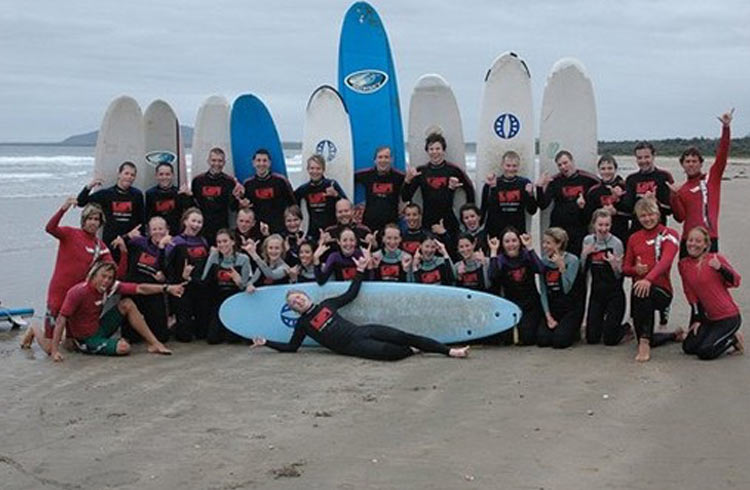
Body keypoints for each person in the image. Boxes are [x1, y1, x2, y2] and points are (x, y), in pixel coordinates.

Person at [250, 255, 470, 361]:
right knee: (392, 354)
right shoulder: (303, 325)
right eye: (293, 304)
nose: (297, 302)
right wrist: (266, 342)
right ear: (294, 310)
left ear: (305, 296)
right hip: (352, 348)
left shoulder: (326, 305)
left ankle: (451, 351)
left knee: (404, 335)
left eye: (298, 298)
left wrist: (361, 270)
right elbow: (291, 348)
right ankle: (412, 350)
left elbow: (351, 293)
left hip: (362, 331)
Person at [20, 198, 127, 350]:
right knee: (50, 349)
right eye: (89, 218)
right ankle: (34, 328)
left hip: (76, 299)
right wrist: (63, 208)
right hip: (58, 293)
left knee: (70, 346)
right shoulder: (69, 234)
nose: (93, 222)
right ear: (83, 221)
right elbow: (50, 228)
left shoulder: (100, 246)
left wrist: (124, 251)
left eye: (96, 219)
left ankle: (55, 334)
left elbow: (117, 273)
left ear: (100, 223)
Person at [46, 261, 181, 361]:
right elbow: (61, 319)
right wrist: (54, 351)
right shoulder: (78, 292)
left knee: (127, 303)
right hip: (85, 339)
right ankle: (35, 329)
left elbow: (140, 288)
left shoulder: (110, 287)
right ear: (93, 275)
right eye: (103, 276)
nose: (106, 281)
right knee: (124, 348)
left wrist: (166, 288)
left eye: (110, 278)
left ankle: (154, 343)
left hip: (98, 328)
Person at [622, 198, 682, 362]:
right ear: (638, 218)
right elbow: (625, 268)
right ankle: (672, 335)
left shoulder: (669, 234)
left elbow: (666, 260)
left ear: (658, 214)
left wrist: (648, 279)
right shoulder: (634, 238)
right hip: (639, 292)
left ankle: (644, 343)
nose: (648, 219)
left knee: (644, 292)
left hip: (661, 290)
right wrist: (636, 270)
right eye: (643, 216)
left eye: (651, 214)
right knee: (641, 326)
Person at [670, 109, 733, 257]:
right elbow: (680, 217)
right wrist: (673, 196)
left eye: (694, 161)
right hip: (688, 240)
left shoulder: (711, 179)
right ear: (682, 165)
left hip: (708, 238)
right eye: (687, 162)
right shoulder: (682, 189)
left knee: (710, 279)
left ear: (700, 163)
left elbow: (722, 155)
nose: (691, 164)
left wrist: (726, 128)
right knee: (688, 278)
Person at [679, 226, 743, 359]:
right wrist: (697, 319)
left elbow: (736, 281)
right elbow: (690, 293)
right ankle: (714, 335)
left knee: (705, 353)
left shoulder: (714, 259)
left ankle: (733, 339)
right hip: (709, 318)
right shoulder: (683, 265)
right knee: (689, 347)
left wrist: (721, 269)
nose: (693, 244)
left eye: (698, 241)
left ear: (706, 245)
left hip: (728, 317)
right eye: (690, 240)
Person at [401, 133, 475, 237]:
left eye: (438, 149)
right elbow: (405, 197)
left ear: (443, 150)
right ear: (427, 151)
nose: (434, 152)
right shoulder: (421, 171)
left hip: (449, 219)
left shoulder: (453, 170)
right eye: (431, 149)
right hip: (428, 220)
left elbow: (470, 190)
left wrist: (466, 216)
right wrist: (407, 181)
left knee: (451, 251)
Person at [77, 161, 145, 260]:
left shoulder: (137, 195)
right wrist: (89, 186)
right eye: (126, 173)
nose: (129, 177)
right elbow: (80, 202)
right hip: (110, 242)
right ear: (119, 174)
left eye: (132, 175)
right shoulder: (106, 194)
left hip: (130, 242)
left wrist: (135, 237)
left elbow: (141, 221)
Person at [536, 150, 598, 256]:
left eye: (565, 163)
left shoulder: (588, 179)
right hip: (558, 230)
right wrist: (539, 187)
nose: (563, 167)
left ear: (572, 161)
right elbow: (543, 205)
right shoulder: (555, 181)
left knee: (578, 263)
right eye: (559, 165)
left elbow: (604, 186)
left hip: (579, 229)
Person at [488, 229, 545, 346]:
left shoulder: (526, 255)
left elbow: (540, 269)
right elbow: (492, 276)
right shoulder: (500, 259)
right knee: (504, 340)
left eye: (514, 241)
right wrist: (493, 252)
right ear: (502, 244)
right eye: (507, 241)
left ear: (519, 242)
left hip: (530, 303)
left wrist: (530, 247)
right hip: (510, 304)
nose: (511, 244)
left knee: (528, 339)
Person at [580, 210, 628, 345]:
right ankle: (601, 324)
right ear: (594, 225)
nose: (603, 229)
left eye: (607, 225)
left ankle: (625, 328)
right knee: (592, 339)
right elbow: (583, 270)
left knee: (610, 341)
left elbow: (619, 276)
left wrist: (615, 264)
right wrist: (584, 254)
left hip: (614, 294)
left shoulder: (616, 243)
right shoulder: (588, 240)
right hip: (597, 294)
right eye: (600, 225)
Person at [202, 229, 258, 344]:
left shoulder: (243, 259)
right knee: (213, 339)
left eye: (225, 241)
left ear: (233, 242)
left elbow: (246, 286)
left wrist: (239, 281)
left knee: (232, 340)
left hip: (236, 298)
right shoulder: (214, 257)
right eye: (219, 242)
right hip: (219, 298)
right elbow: (204, 279)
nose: (222, 245)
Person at [122, 216, 172, 343]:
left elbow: (168, 270)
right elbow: (116, 244)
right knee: (131, 338)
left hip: (153, 290)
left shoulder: (171, 247)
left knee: (162, 337)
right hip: (134, 288)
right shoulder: (140, 242)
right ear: (149, 231)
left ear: (167, 230)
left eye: (161, 228)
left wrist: (161, 247)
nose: (157, 232)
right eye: (154, 229)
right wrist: (127, 236)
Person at [166, 207, 211, 342]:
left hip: (200, 287)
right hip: (182, 288)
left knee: (202, 334)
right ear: (185, 221)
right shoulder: (175, 241)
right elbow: (166, 265)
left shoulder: (203, 241)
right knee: (184, 337)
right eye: (193, 221)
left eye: (199, 222)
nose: (196, 225)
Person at [538, 228, 584, 349]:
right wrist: (548, 317)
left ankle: (572, 331)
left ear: (558, 244)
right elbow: (543, 291)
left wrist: (562, 268)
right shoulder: (544, 262)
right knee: (542, 340)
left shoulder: (572, 260)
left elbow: (567, 288)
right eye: (544, 242)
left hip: (570, 307)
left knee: (559, 342)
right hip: (553, 307)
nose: (544, 246)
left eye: (548, 243)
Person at [191, 147, 241, 245]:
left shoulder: (229, 182)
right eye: (214, 160)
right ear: (208, 161)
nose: (217, 164)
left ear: (224, 162)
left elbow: (233, 208)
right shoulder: (198, 181)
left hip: (221, 226)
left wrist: (237, 197)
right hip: (202, 226)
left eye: (220, 161)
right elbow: (193, 206)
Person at [481, 150, 537, 237]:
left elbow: (532, 210)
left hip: (517, 231)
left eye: (514, 166)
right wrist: (492, 188)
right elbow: (484, 208)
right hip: (496, 231)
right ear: (502, 165)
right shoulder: (492, 182)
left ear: (518, 166)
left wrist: (530, 195)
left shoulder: (524, 183)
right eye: (508, 165)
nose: (511, 169)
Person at [239, 149, 296, 234]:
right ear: (253, 163)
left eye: (264, 161)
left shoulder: (281, 181)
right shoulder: (248, 184)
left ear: (269, 163)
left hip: (279, 229)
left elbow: (293, 205)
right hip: (256, 230)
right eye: (258, 160)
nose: (261, 164)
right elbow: (243, 209)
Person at [622, 142, 674, 233]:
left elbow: (671, 210)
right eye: (639, 158)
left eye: (646, 157)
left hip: (658, 231)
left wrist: (655, 202)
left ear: (653, 156)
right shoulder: (631, 179)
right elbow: (627, 209)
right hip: (636, 231)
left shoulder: (664, 176)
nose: (643, 161)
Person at [294, 154, 347, 242]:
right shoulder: (304, 188)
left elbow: (346, 204)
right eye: (312, 168)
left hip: (332, 231)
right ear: (308, 170)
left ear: (323, 170)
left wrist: (336, 195)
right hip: (313, 232)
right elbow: (292, 205)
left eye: (318, 168)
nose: (315, 171)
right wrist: (298, 230)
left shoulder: (331, 184)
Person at [354, 146, 405, 232]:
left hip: (391, 225)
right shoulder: (366, 175)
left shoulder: (399, 177)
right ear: (375, 160)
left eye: (386, 157)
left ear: (391, 160)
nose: (383, 160)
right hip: (369, 224)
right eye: (380, 157)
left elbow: (408, 192)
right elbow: (347, 177)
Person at [584, 155, 629, 244]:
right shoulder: (594, 190)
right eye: (603, 169)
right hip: (600, 235)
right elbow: (587, 216)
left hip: (620, 233)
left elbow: (631, 212)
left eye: (610, 168)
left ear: (615, 169)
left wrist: (616, 209)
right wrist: (600, 212)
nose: (606, 172)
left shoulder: (625, 187)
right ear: (599, 170)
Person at [145, 162, 194, 235]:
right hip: (157, 234)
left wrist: (190, 196)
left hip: (176, 235)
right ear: (156, 176)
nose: (164, 177)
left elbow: (190, 213)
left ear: (172, 175)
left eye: (167, 174)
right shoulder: (150, 194)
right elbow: (147, 217)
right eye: (161, 174)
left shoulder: (180, 193)